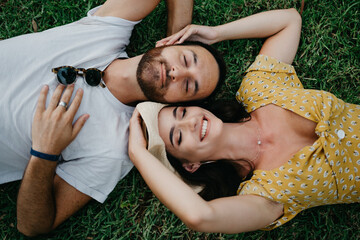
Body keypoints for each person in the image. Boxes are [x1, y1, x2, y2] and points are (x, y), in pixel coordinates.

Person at [0, 0, 227, 236]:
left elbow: (32, 226)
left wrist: (44, 153)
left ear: (176, 103)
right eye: (186, 60)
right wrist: (176, 34)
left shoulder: (113, 146)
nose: (176, 72)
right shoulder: (107, 31)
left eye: (188, 85)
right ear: (169, 44)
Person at [128, 8, 360, 233]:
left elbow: (289, 20)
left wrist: (217, 33)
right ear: (191, 164)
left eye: (183, 113)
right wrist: (138, 154)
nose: (191, 123)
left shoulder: (257, 91)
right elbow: (200, 217)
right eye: (178, 137)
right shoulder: (264, 194)